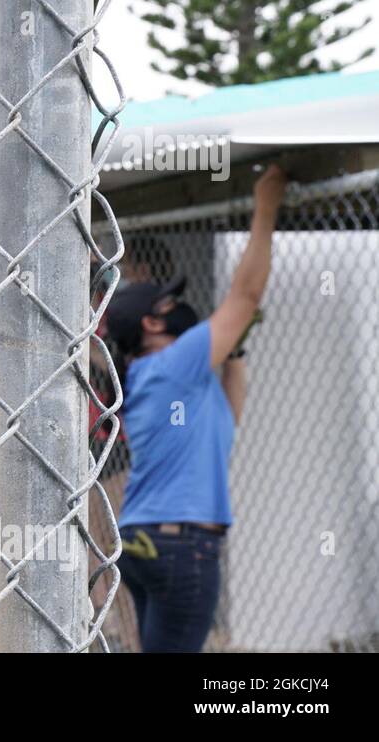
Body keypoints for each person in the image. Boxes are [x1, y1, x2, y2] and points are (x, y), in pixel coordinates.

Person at [105, 163, 287, 653]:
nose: (180, 310)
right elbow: (246, 295)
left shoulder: (156, 378)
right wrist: (266, 205)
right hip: (181, 547)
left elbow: (228, 418)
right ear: (151, 325)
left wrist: (237, 349)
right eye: (167, 307)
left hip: (146, 542)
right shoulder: (174, 363)